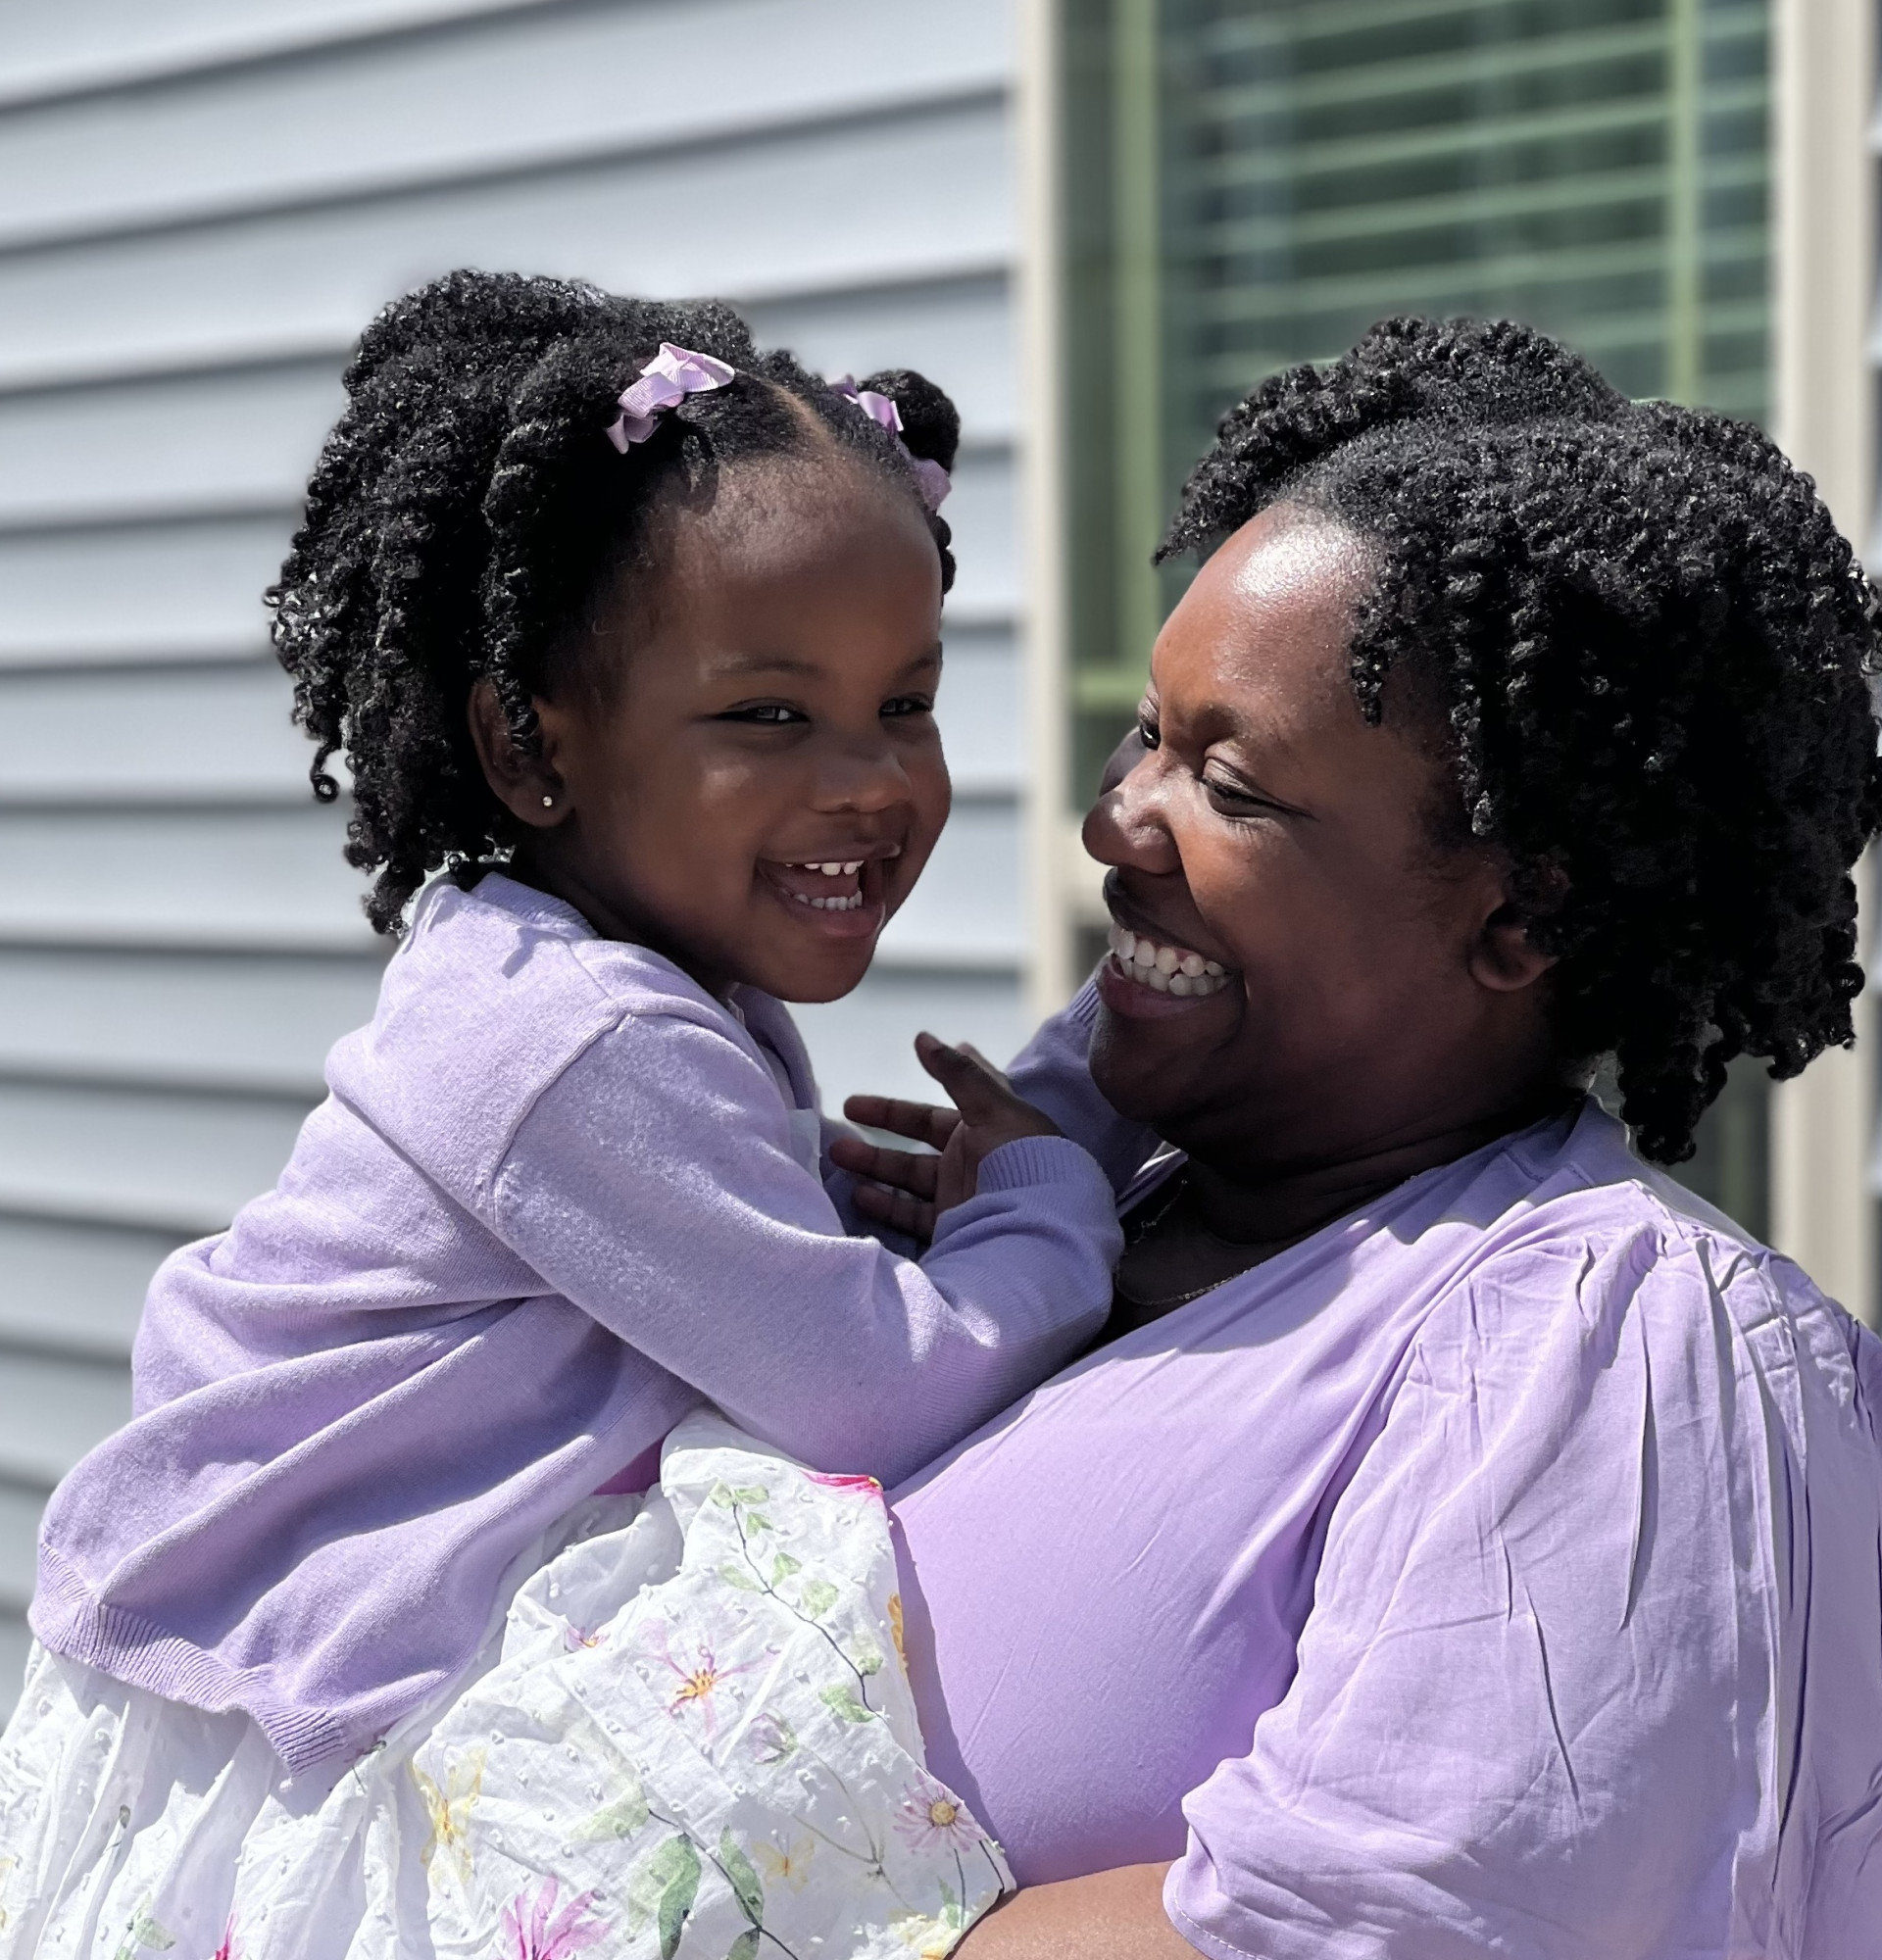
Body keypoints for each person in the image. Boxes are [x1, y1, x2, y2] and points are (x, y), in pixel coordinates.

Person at [0, 271, 1116, 1953]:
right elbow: (872, 1394)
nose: (871, 780)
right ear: (532, 746)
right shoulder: (578, 1035)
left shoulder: (598, 974)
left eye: (909, 701)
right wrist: (1055, 1208)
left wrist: (819, 1196)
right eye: (770, 715)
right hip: (291, 1758)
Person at [838, 318, 1882, 1958]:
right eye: (1148, 733)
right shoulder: (1098, 1201)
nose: (1114, 822)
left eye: (1233, 784)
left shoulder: (1613, 1354)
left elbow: (1392, 1927)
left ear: (1521, 913)